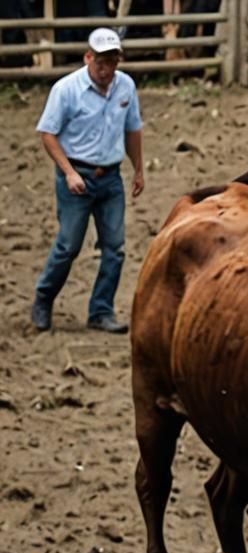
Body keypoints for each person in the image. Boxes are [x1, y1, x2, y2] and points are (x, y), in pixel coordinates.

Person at [32, 27, 144, 334]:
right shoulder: (66, 89)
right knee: (68, 245)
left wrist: (138, 169)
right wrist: (68, 172)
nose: (107, 70)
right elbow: (48, 133)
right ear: (88, 58)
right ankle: (43, 298)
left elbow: (133, 129)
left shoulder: (125, 87)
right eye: (101, 63)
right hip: (77, 175)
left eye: (112, 62)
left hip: (110, 177)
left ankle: (101, 310)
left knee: (115, 247)